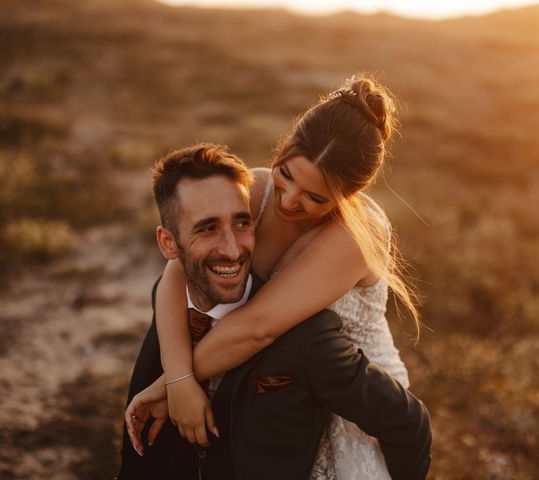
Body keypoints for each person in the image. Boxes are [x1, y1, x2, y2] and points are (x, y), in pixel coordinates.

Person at [123, 75, 424, 478]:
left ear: (348, 196)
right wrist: (176, 380)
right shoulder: (258, 185)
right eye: (287, 174)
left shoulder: (355, 234)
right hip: (251, 363)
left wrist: (170, 386)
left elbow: (259, 326)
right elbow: (175, 270)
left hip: (341, 384)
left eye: (316, 197)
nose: (289, 200)